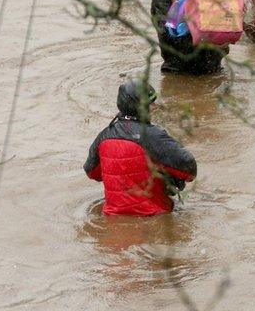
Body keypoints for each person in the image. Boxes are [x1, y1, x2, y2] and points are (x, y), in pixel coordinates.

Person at [84, 79, 197, 216]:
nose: (154, 107)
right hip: (154, 216)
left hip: (113, 216)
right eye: (151, 103)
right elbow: (189, 169)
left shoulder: (104, 135)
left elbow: (91, 172)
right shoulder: (153, 136)